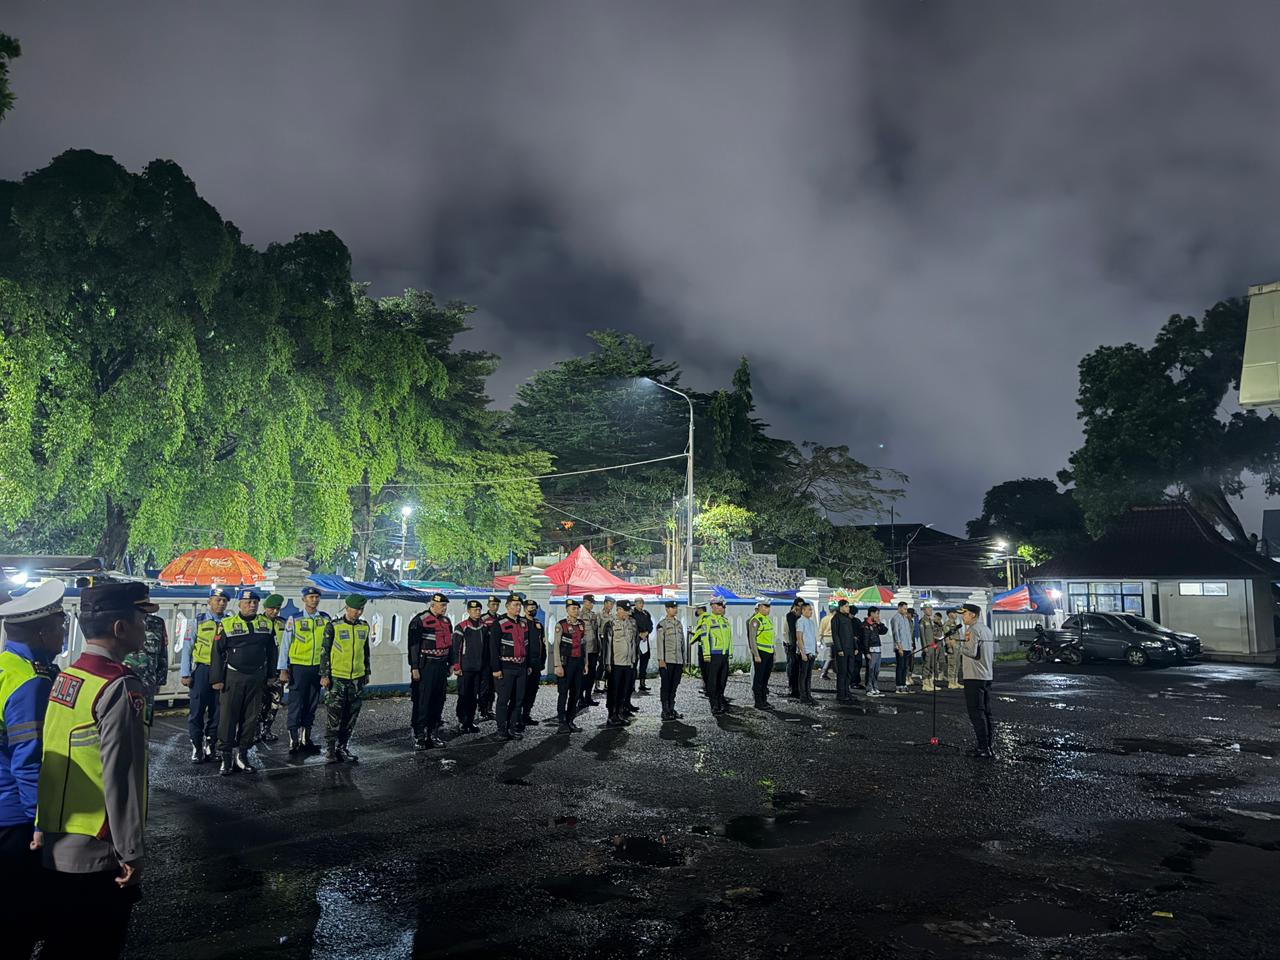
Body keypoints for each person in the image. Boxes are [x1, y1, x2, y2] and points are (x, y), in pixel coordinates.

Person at [36, 580, 152, 959]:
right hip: (99, 850)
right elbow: (121, 777)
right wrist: (130, 850)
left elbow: (51, 752)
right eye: (141, 618)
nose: (145, 627)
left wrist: (41, 824)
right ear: (120, 628)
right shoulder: (118, 686)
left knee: (61, 944)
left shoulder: (68, 678)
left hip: (57, 841)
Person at [0, 580, 65, 959]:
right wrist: (41, 823)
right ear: (42, 631)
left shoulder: (7, 666)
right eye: (59, 625)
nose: (62, 632)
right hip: (14, 819)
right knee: (17, 920)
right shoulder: (30, 683)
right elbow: (28, 762)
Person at [210, 589, 277, 775]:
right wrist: (216, 679)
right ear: (239, 604)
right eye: (247, 603)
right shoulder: (227, 624)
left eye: (255, 602)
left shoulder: (266, 624)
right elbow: (216, 652)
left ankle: (243, 755)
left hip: (257, 678)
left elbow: (272, 652)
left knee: (251, 718)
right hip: (233, 677)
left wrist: (272, 674)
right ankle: (225, 756)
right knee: (227, 718)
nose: (252, 605)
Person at [180, 586, 229, 763]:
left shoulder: (229, 622)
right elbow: (187, 648)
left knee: (218, 711)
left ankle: (211, 745)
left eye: (224, 601)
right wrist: (185, 673)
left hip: (222, 672)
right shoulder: (197, 622)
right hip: (202, 670)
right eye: (218, 600)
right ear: (209, 602)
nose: (221, 603)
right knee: (197, 711)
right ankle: (197, 747)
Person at [278, 585, 329, 754]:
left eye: (316, 597)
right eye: (310, 597)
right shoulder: (295, 619)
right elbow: (285, 644)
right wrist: (283, 669)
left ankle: (305, 739)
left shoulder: (325, 619)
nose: (314, 600)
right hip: (298, 667)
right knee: (296, 703)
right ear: (304, 599)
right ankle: (293, 740)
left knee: (312, 703)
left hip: (317, 668)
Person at [320, 594, 372, 763]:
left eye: (361, 609)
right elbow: (325, 652)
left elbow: (366, 652)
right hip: (337, 678)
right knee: (334, 716)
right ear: (347, 608)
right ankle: (330, 750)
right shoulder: (334, 626)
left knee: (351, 716)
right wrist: (325, 675)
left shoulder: (364, 627)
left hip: (356, 679)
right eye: (355, 609)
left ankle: (343, 747)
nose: (358, 612)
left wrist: (366, 672)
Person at [408, 592, 453, 749]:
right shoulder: (420, 620)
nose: (444, 608)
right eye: (441, 605)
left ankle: (432, 734)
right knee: (423, 701)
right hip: (425, 666)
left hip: (441, 665)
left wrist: (451, 663)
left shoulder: (447, 622)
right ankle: (419, 735)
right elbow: (413, 646)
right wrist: (414, 667)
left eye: (445, 606)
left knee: (438, 700)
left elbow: (450, 645)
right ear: (432, 604)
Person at [489, 594, 531, 741]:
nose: (518, 608)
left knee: (518, 700)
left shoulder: (524, 623)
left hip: (521, 666)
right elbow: (493, 648)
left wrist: (528, 665)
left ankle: (512, 728)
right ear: (507, 606)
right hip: (505, 667)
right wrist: (496, 669)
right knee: (503, 700)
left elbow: (528, 645)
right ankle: (501, 730)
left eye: (519, 605)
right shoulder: (499, 623)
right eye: (515, 605)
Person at [959, 603, 996, 758]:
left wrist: (957, 646)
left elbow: (972, 652)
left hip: (974, 675)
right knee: (986, 713)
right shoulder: (986, 629)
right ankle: (987, 745)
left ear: (973, 614)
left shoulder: (972, 630)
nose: (963, 616)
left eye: (965, 613)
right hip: (986, 675)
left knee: (976, 713)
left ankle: (983, 747)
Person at [551, 599, 587, 734]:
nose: (576, 611)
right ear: (567, 610)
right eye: (573, 608)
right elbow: (556, 647)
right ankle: (561, 722)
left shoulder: (582, 625)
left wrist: (586, 663)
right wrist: (557, 665)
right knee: (563, 693)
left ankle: (570, 720)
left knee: (576, 693)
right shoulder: (561, 625)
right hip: (566, 663)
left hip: (578, 663)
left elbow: (584, 646)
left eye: (577, 608)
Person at [451, 600, 488, 733]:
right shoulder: (461, 627)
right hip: (465, 667)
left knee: (474, 696)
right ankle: (462, 720)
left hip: (479, 668)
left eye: (479, 610)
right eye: (474, 610)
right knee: (463, 695)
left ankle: (470, 721)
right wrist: (456, 665)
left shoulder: (484, 627)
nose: (477, 612)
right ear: (468, 611)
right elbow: (456, 648)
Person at [694, 598, 732, 715]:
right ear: (713, 606)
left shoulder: (725, 621)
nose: (722, 607)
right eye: (719, 605)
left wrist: (729, 653)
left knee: (722, 681)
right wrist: (706, 654)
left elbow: (729, 639)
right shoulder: (707, 621)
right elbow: (704, 639)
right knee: (712, 682)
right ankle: (714, 705)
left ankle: (721, 701)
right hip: (713, 655)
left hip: (724, 655)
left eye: (723, 605)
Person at [257, 594, 286, 744]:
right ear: (265, 608)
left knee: (275, 702)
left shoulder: (283, 624)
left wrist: (286, 669)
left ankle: (266, 730)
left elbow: (288, 646)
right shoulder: (257, 622)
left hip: (277, 669)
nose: (274, 611)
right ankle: (254, 730)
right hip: (260, 670)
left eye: (277, 608)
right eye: (271, 608)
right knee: (257, 702)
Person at [603, 600, 637, 727]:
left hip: (628, 663)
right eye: (625, 610)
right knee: (614, 691)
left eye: (628, 611)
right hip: (615, 664)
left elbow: (633, 643)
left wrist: (633, 660)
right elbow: (607, 646)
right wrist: (607, 664)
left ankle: (619, 713)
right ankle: (611, 715)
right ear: (618, 610)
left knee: (624, 691)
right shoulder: (610, 624)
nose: (627, 613)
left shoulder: (630, 624)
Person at [654, 599, 685, 721]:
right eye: (673, 608)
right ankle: (665, 710)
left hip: (678, 661)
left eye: (676, 608)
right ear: (667, 609)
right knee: (666, 686)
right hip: (667, 660)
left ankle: (672, 708)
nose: (675, 609)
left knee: (674, 686)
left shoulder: (678, 624)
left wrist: (684, 660)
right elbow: (660, 643)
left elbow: (682, 644)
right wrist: (661, 659)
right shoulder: (662, 625)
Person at [519, 600, 547, 730]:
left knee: (532, 690)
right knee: (521, 691)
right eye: (530, 607)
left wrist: (543, 660)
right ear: (525, 609)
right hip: (524, 663)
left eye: (534, 607)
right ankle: (517, 718)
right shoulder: (520, 623)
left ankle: (526, 714)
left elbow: (543, 643)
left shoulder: (538, 624)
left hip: (536, 663)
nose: (533, 609)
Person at [746, 598, 776, 710]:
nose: (768, 609)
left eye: (768, 607)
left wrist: (774, 652)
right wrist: (756, 654)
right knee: (758, 679)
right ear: (759, 607)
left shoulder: (767, 619)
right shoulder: (755, 620)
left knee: (765, 678)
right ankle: (758, 702)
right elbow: (752, 639)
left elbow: (770, 638)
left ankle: (764, 700)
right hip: (761, 653)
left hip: (769, 652)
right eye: (765, 606)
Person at [477, 595, 502, 721]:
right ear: (488, 605)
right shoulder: (483, 619)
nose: (495, 607)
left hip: (496, 656)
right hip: (485, 656)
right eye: (493, 605)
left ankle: (489, 708)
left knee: (493, 685)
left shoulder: (501, 619)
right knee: (485, 685)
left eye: (497, 605)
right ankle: (482, 709)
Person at [578, 594, 602, 709]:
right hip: (584, 650)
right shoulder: (579, 615)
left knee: (592, 675)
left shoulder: (594, 615)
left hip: (594, 649)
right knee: (583, 675)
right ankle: (580, 697)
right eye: (590, 602)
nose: (592, 604)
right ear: (585, 602)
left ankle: (588, 696)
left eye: (593, 603)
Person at [831, 599, 856, 703]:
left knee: (850, 671)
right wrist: (839, 649)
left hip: (850, 649)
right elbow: (835, 635)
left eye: (848, 606)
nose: (848, 608)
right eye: (846, 606)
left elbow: (851, 635)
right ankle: (841, 693)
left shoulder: (848, 618)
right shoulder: (836, 618)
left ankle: (847, 691)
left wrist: (855, 647)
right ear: (840, 607)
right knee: (842, 672)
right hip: (842, 649)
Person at [795, 601, 818, 705]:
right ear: (803, 610)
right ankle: (803, 697)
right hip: (805, 652)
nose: (811, 612)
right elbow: (799, 638)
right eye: (809, 610)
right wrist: (802, 652)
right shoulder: (800, 621)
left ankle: (809, 695)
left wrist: (815, 649)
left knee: (808, 675)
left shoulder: (811, 622)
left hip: (811, 651)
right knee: (803, 675)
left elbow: (813, 637)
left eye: (811, 610)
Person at [863, 607, 888, 697]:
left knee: (877, 670)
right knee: (870, 669)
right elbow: (865, 640)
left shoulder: (876, 624)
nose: (878, 615)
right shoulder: (866, 625)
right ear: (872, 613)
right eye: (877, 613)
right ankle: (869, 688)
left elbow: (884, 631)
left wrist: (880, 623)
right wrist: (866, 652)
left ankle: (875, 687)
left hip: (878, 649)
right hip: (871, 650)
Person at [890, 601, 913, 694]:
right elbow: (896, 633)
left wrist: (911, 645)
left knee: (905, 667)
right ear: (899, 608)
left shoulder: (906, 618)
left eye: (906, 609)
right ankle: (898, 686)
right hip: (901, 646)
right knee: (900, 666)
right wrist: (899, 647)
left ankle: (904, 684)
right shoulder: (895, 618)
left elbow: (908, 633)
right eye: (904, 608)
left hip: (907, 646)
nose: (905, 610)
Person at [632, 597, 653, 694]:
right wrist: (639, 634)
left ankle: (642, 683)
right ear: (635, 603)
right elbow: (632, 626)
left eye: (642, 603)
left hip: (645, 640)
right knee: (634, 662)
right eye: (639, 602)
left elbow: (650, 625)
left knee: (644, 662)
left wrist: (647, 633)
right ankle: (632, 684)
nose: (641, 604)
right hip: (636, 641)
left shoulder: (646, 613)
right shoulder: (632, 614)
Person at [784, 598, 802, 698]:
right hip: (790, 645)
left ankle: (796, 688)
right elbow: (792, 632)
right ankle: (793, 688)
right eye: (799, 606)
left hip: (797, 644)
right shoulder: (791, 616)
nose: (800, 608)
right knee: (792, 667)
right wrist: (794, 646)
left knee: (797, 668)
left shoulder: (800, 617)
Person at [920, 604, 941, 692]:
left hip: (932, 645)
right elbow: (922, 635)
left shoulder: (931, 621)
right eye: (928, 609)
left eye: (931, 609)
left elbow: (932, 634)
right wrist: (924, 646)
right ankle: (925, 683)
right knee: (927, 664)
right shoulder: (923, 621)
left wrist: (935, 644)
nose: (930, 611)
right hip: (927, 646)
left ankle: (930, 682)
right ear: (924, 610)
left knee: (932, 664)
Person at [944, 609, 963, 689]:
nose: (956, 615)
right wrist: (949, 647)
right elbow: (947, 637)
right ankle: (951, 682)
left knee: (957, 664)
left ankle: (955, 681)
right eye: (955, 613)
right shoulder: (947, 624)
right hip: (952, 646)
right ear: (950, 614)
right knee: (952, 664)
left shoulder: (955, 624)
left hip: (957, 646)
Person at [818, 601, 835, 681]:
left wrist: (819, 640)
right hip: (833, 639)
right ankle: (824, 672)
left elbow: (821, 630)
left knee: (832, 656)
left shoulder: (824, 619)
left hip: (826, 639)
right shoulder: (835, 618)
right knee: (831, 657)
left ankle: (829, 671)